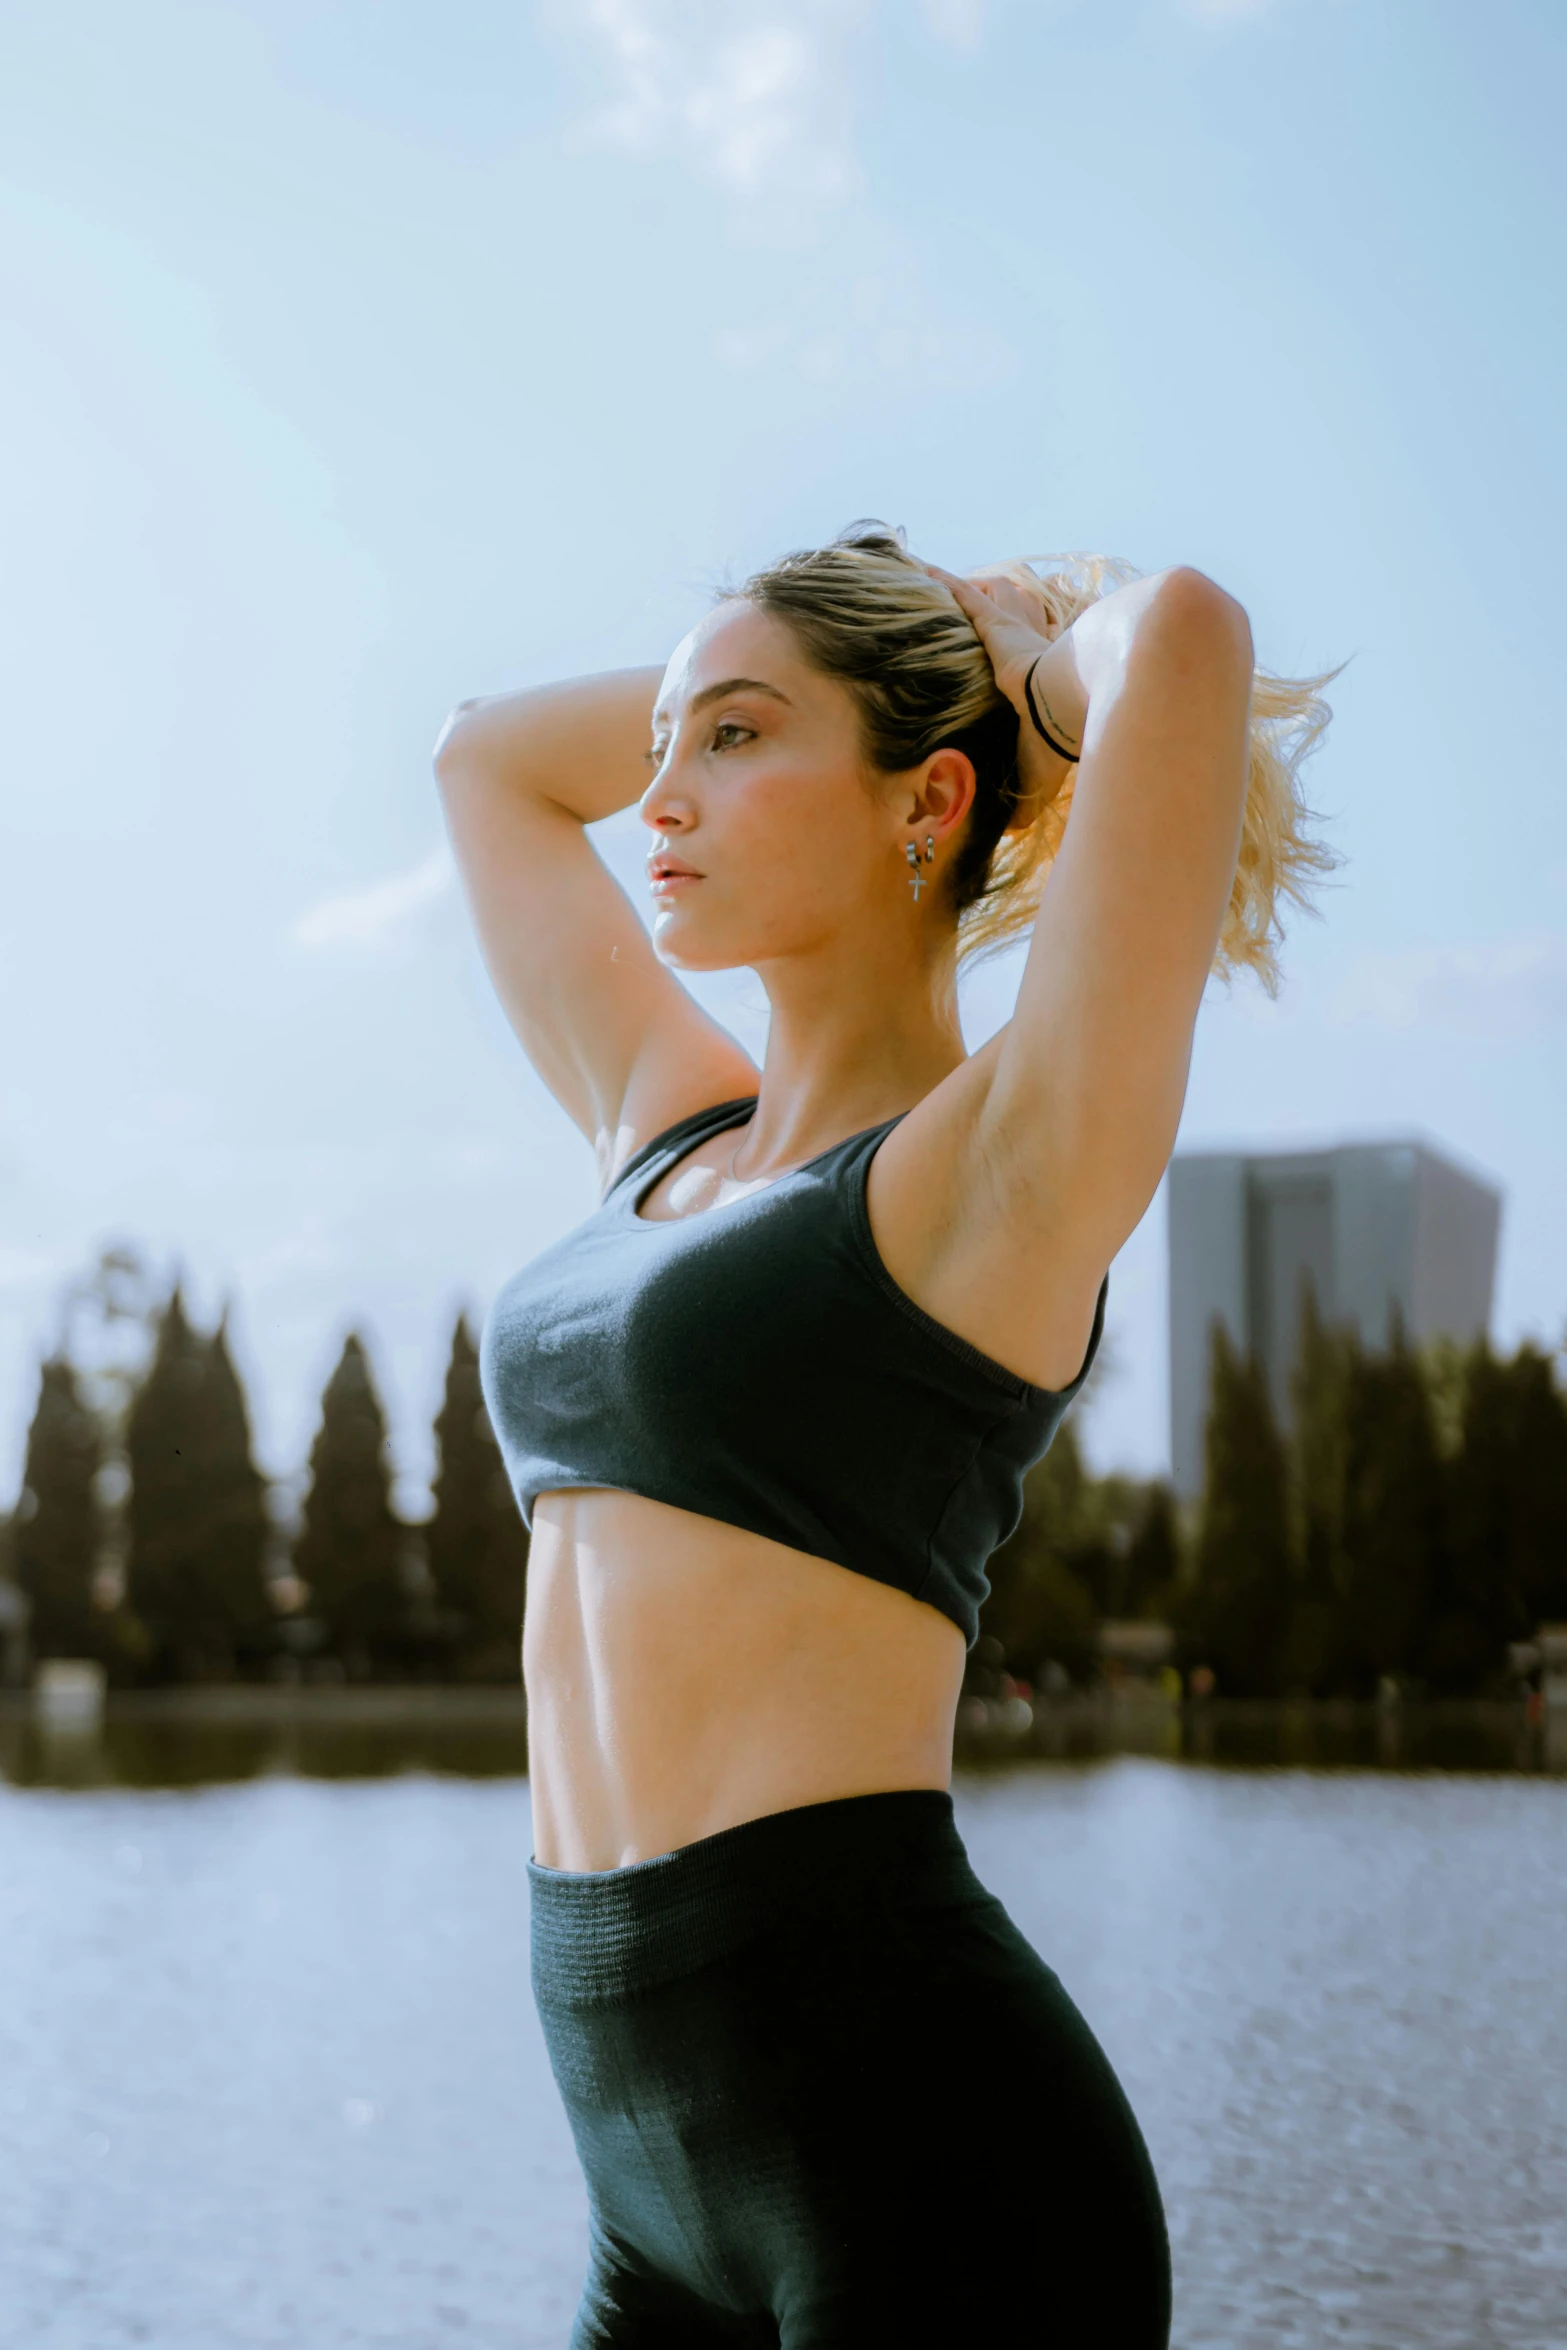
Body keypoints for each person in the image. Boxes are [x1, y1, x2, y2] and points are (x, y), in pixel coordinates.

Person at [435, 522, 1332, 2348]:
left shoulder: (987, 1174)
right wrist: (770, 682)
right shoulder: (666, 1128)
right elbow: (489, 760)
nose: (660, 799)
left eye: (736, 743)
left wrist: (1001, 671)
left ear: (924, 801)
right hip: (646, 2185)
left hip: (925, 2171)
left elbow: (1185, 637)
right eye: (672, 743)